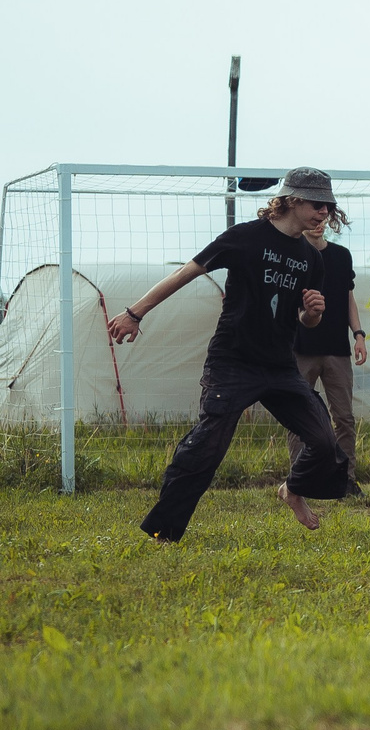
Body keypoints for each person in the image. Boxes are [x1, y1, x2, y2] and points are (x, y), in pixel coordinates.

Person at [110, 167, 352, 541]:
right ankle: (164, 530)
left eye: (329, 206)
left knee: (323, 440)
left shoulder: (311, 258)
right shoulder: (245, 238)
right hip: (234, 361)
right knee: (208, 446)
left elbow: (305, 321)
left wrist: (313, 313)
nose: (325, 213)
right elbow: (186, 273)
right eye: (318, 204)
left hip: (280, 366)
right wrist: (134, 312)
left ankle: (293, 490)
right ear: (293, 199)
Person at [287, 215, 368, 496]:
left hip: (337, 350)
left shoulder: (341, 256)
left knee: (344, 418)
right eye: (313, 216)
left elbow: (348, 298)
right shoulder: (292, 255)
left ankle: (345, 479)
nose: (318, 222)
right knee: (297, 416)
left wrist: (358, 334)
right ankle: (300, 481)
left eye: (323, 217)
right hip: (300, 350)